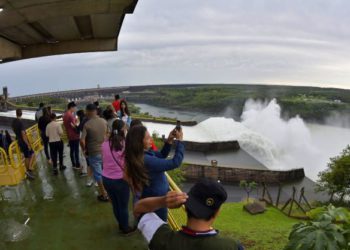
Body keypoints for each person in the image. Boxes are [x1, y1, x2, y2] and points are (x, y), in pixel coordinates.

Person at [135, 179, 244, 250]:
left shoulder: (162, 237)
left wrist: (163, 201)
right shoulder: (232, 246)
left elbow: (138, 209)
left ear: (185, 207)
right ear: (216, 213)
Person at [125, 125, 184, 221]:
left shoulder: (140, 154)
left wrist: (169, 140)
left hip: (152, 196)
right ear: (139, 142)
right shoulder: (146, 160)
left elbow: (161, 155)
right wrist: (180, 142)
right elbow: (175, 162)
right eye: (147, 138)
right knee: (159, 225)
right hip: (156, 201)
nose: (151, 140)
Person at [102, 119, 136, 235]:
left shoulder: (104, 144)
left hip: (106, 179)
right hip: (120, 180)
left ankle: (121, 225)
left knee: (115, 205)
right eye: (125, 129)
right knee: (123, 206)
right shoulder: (124, 144)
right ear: (122, 130)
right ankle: (125, 228)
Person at [80, 104, 109, 202]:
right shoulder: (104, 121)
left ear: (88, 111)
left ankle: (104, 194)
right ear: (96, 111)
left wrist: (84, 151)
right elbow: (108, 134)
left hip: (93, 152)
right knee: (104, 171)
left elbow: (82, 140)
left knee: (98, 174)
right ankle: (107, 190)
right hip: (104, 151)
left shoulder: (87, 124)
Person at [11, 109, 35, 180]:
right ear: (21, 113)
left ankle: (28, 171)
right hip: (24, 142)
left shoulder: (14, 121)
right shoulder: (20, 122)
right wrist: (28, 144)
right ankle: (29, 170)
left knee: (26, 156)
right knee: (31, 154)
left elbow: (13, 128)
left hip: (19, 141)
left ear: (16, 113)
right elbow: (23, 134)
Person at [63, 101, 81, 170]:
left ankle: (73, 164)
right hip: (74, 135)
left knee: (72, 150)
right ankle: (77, 164)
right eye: (74, 108)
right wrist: (77, 123)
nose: (75, 109)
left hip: (69, 135)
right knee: (76, 151)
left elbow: (68, 125)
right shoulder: (71, 115)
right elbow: (74, 126)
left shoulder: (65, 115)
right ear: (71, 107)